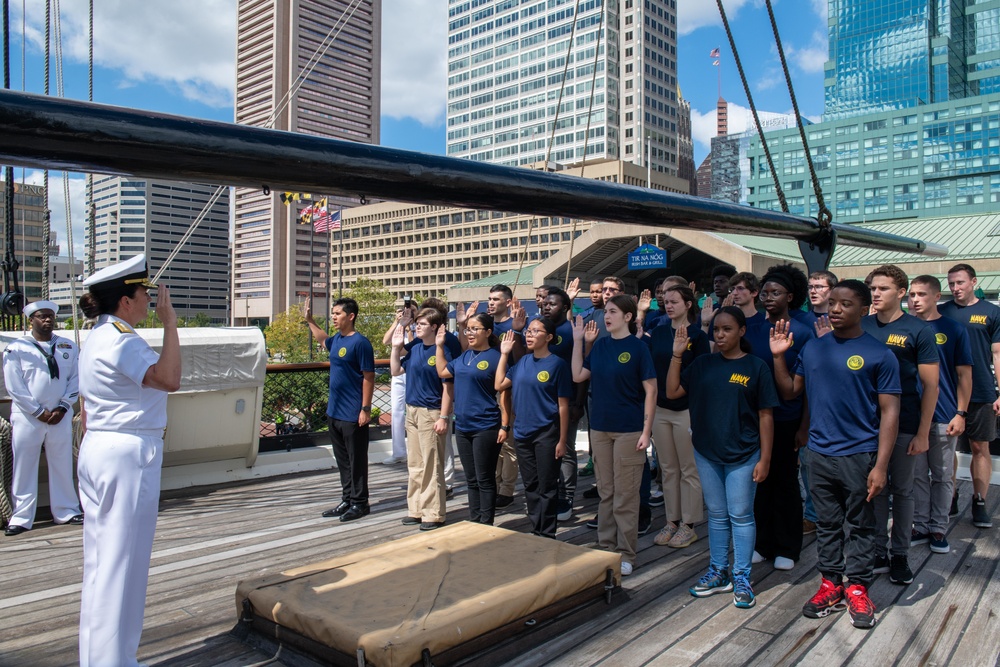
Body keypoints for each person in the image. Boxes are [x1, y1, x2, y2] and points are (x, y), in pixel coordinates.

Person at [769, 279, 900, 630]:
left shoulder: (880, 354)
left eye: (845, 303)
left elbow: (890, 412)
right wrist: (779, 357)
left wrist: (881, 465)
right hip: (819, 454)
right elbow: (792, 391)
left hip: (860, 455)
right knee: (826, 524)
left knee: (860, 525)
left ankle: (857, 586)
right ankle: (830, 583)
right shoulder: (814, 348)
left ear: (864, 309)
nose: (836, 309)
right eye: (833, 302)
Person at [76, 254, 181, 666]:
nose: (150, 302)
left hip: (100, 447)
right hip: (126, 455)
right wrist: (170, 323)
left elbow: (87, 408)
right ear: (125, 301)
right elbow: (168, 379)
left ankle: (100, 658)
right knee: (123, 568)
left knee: (102, 563)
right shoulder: (122, 338)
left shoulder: (96, 337)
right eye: (144, 294)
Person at [667, 306, 777, 609]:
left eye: (727, 329)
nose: (720, 335)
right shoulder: (703, 364)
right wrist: (677, 355)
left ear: (741, 331)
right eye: (716, 329)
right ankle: (719, 572)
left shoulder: (756, 367)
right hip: (707, 452)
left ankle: (742, 576)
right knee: (716, 515)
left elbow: (766, 416)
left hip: (744, 453)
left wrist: (765, 459)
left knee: (741, 515)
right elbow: (673, 390)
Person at [861, 264, 938, 585]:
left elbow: (931, 386)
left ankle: (900, 554)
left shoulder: (918, 330)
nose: (876, 294)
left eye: (883, 289)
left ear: (901, 292)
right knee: (874, 489)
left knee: (903, 492)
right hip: (866, 425)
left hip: (905, 422)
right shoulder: (862, 326)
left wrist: (923, 432)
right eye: (873, 289)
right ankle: (878, 550)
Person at [571, 296, 657, 576]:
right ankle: (606, 547)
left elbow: (651, 391)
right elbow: (577, 375)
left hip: (629, 431)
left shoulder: (639, 348)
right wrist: (577, 340)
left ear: (628, 317)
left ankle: (626, 552)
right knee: (606, 492)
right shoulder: (601, 346)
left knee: (626, 496)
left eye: (613, 312)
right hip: (600, 429)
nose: (606, 316)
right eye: (605, 312)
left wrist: (646, 431)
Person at [744, 265, 814, 571]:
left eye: (776, 293)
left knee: (785, 483)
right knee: (759, 483)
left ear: (790, 295)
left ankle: (788, 546)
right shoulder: (754, 329)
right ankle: (762, 542)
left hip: (787, 418)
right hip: (754, 419)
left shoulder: (803, 331)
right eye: (765, 292)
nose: (768, 298)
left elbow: (809, 387)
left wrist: (804, 426)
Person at [3, 300, 83, 536]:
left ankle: (66, 509)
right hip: (28, 417)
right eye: (41, 316)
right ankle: (22, 516)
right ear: (31, 320)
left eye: (50, 316)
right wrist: (37, 411)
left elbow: (75, 379)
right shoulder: (16, 349)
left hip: (60, 415)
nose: (47, 320)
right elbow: (14, 386)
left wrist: (63, 406)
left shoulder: (68, 346)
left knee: (61, 462)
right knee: (24, 465)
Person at [908, 275, 972, 554]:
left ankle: (938, 528)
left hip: (944, 414)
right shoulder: (904, 328)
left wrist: (961, 412)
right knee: (917, 475)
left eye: (921, 294)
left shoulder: (954, 329)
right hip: (911, 415)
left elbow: (964, 375)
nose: (915, 299)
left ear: (937, 296)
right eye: (911, 294)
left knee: (942, 474)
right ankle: (921, 525)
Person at [645, 285, 709, 549]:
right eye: (666, 301)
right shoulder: (658, 333)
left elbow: (703, 374)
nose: (668, 305)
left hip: (686, 410)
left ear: (688, 304)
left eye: (674, 301)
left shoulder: (698, 336)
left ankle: (689, 524)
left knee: (688, 469)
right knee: (667, 469)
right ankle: (672, 520)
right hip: (660, 409)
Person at [495, 320, 572, 538]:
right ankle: (536, 528)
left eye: (536, 331)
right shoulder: (522, 362)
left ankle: (547, 533)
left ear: (548, 337)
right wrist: (504, 354)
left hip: (547, 432)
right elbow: (499, 384)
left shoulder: (557, 364)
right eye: (528, 331)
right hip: (521, 432)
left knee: (547, 486)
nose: (529, 335)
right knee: (530, 484)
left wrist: (562, 439)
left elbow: (563, 405)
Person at [939, 263, 1000, 530]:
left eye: (960, 283)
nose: (955, 288)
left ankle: (979, 501)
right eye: (951, 283)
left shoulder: (991, 312)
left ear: (973, 282)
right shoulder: (942, 312)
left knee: (979, 447)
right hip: (948, 392)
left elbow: (997, 354)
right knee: (947, 447)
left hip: (982, 391)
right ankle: (949, 497)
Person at [306, 297, 375, 523]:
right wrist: (309, 321)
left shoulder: (361, 343)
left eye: (337, 314)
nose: (333, 317)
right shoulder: (337, 340)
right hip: (334, 411)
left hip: (352, 412)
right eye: (333, 314)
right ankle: (347, 498)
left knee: (356, 459)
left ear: (351, 316)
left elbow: (369, 377)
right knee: (342, 459)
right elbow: (324, 340)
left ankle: (360, 502)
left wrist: (365, 408)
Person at [436, 314, 507, 524]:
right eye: (467, 329)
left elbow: (504, 393)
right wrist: (439, 346)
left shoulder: (495, 357)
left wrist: (505, 425)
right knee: (471, 479)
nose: (470, 333)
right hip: (464, 426)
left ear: (488, 332)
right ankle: (475, 520)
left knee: (485, 478)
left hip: (486, 425)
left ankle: (486, 522)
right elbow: (442, 370)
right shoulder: (464, 357)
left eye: (475, 329)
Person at [391, 308, 451, 530]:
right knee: (415, 463)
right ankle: (416, 509)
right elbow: (396, 371)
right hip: (412, 410)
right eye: (417, 324)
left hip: (431, 411)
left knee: (431, 464)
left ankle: (433, 513)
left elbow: (448, 387)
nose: (417, 327)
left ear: (434, 327)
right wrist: (396, 349)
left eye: (423, 324)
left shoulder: (440, 351)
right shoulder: (415, 348)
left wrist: (444, 416)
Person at [540, 286, 586, 521]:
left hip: (566, 401)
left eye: (552, 304)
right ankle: (547, 493)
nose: (546, 307)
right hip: (541, 401)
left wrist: (579, 402)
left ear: (565, 307)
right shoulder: (539, 329)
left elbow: (581, 369)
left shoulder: (572, 331)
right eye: (545, 303)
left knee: (566, 450)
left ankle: (566, 497)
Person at [486, 285, 526, 508]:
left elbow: (521, 358)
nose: (491, 303)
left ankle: (507, 489)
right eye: (489, 299)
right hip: (487, 388)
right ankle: (495, 482)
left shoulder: (515, 325)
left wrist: (518, 331)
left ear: (509, 302)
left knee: (508, 442)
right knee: (493, 442)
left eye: (496, 299)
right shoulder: (487, 324)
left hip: (508, 389)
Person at [381, 300, 416, 465]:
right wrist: (397, 321)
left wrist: (409, 327)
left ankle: (416, 450)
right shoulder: (399, 326)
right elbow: (385, 341)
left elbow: (413, 346)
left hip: (414, 370)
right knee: (396, 411)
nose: (409, 313)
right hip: (398, 372)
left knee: (415, 411)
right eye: (406, 310)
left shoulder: (421, 327)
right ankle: (399, 452)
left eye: (412, 310)